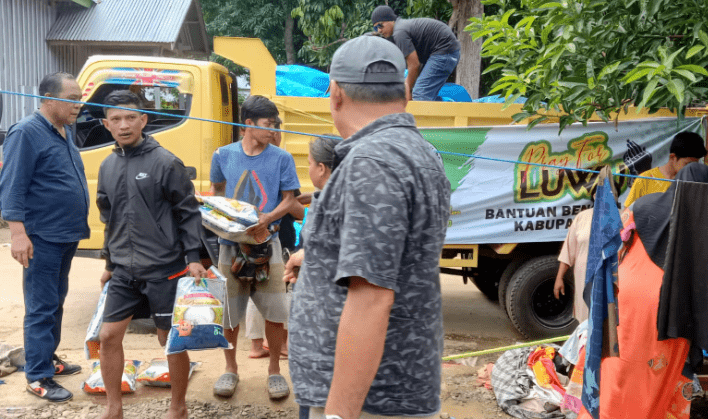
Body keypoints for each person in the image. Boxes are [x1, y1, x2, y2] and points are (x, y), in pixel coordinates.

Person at [287, 35, 451, 419]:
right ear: (405, 92)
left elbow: (372, 298)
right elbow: (397, 255)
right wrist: (318, 257)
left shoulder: (371, 163)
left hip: (368, 401)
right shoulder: (421, 153)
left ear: (336, 93)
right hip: (392, 389)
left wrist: (338, 414)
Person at [95, 90, 207, 419]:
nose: (124, 124)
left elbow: (188, 213)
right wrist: (109, 263)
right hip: (124, 271)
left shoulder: (165, 162)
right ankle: (114, 408)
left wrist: (193, 258)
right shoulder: (107, 165)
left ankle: (178, 406)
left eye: (131, 117)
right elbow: (109, 218)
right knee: (108, 335)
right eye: (116, 119)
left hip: (164, 268)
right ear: (106, 124)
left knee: (168, 339)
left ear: (143, 120)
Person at [576, 162, 708, 419]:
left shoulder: (643, 205)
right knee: (657, 373)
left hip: (626, 292)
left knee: (616, 362)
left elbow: (614, 243)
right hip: (675, 306)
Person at [0, 72, 89, 402]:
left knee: (56, 301)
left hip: (65, 235)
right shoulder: (26, 132)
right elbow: (12, 186)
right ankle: (37, 376)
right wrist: (18, 233)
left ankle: (47, 358)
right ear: (49, 99)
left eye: (80, 97)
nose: (78, 104)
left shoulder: (62, 130)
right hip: (42, 236)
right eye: (72, 98)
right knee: (41, 307)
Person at [209, 95, 300, 400]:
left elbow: (290, 200)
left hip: (268, 245)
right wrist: (221, 218)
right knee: (229, 314)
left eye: (275, 124)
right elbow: (217, 193)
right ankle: (230, 369)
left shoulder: (281, 158)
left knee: (275, 312)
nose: (273, 130)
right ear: (247, 124)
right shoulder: (222, 155)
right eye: (267, 124)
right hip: (230, 246)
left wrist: (267, 219)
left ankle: (274, 371)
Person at [554, 168, 621, 323]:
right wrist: (559, 278)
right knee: (586, 319)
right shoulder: (581, 218)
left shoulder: (624, 217)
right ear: (594, 195)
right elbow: (568, 251)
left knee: (612, 319)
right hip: (584, 277)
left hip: (614, 278)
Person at [371, 5, 460, 101]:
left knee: (420, 94)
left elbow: (414, 65)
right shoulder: (398, 31)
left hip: (445, 50)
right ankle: (450, 111)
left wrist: (407, 88)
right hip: (441, 52)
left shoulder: (399, 33)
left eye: (380, 25)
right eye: (376, 28)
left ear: (391, 20)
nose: (379, 30)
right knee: (420, 94)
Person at [623, 131, 706, 207]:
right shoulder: (644, 179)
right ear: (673, 157)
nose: (692, 168)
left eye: (696, 164)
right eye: (688, 164)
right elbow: (627, 214)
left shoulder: (693, 182)